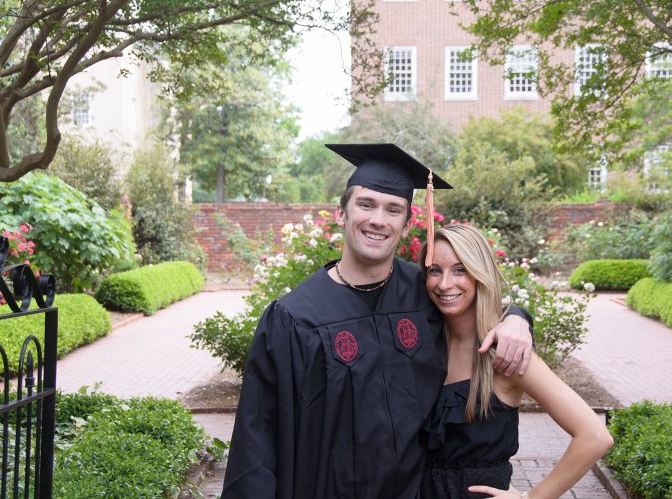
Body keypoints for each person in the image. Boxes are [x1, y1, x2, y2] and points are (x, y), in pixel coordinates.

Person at [222, 143, 535, 499]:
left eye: (393, 209)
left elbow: (476, 310)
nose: (378, 220)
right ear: (341, 213)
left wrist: (516, 318)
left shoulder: (425, 293)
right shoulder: (295, 317)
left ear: (405, 224)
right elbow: (257, 438)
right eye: (366, 204)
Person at [418, 225, 614, 499]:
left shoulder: (506, 354)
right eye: (435, 270)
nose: (444, 283)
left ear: (479, 274)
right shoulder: (421, 346)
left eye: (460, 269)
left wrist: (530, 498)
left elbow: (594, 436)